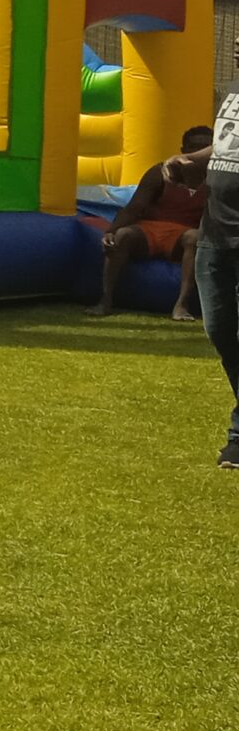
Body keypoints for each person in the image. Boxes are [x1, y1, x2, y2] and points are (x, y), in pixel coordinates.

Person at [166, 96, 239, 469]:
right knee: (219, 329)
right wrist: (191, 161)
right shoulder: (234, 91)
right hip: (215, 234)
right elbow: (227, 145)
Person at [89, 125, 211, 319]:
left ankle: (182, 304)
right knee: (122, 236)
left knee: (195, 238)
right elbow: (134, 207)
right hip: (150, 229)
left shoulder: (216, 180)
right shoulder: (161, 173)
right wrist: (111, 230)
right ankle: (105, 300)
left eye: (204, 148)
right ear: (183, 150)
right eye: (193, 147)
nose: (197, 153)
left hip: (184, 234)